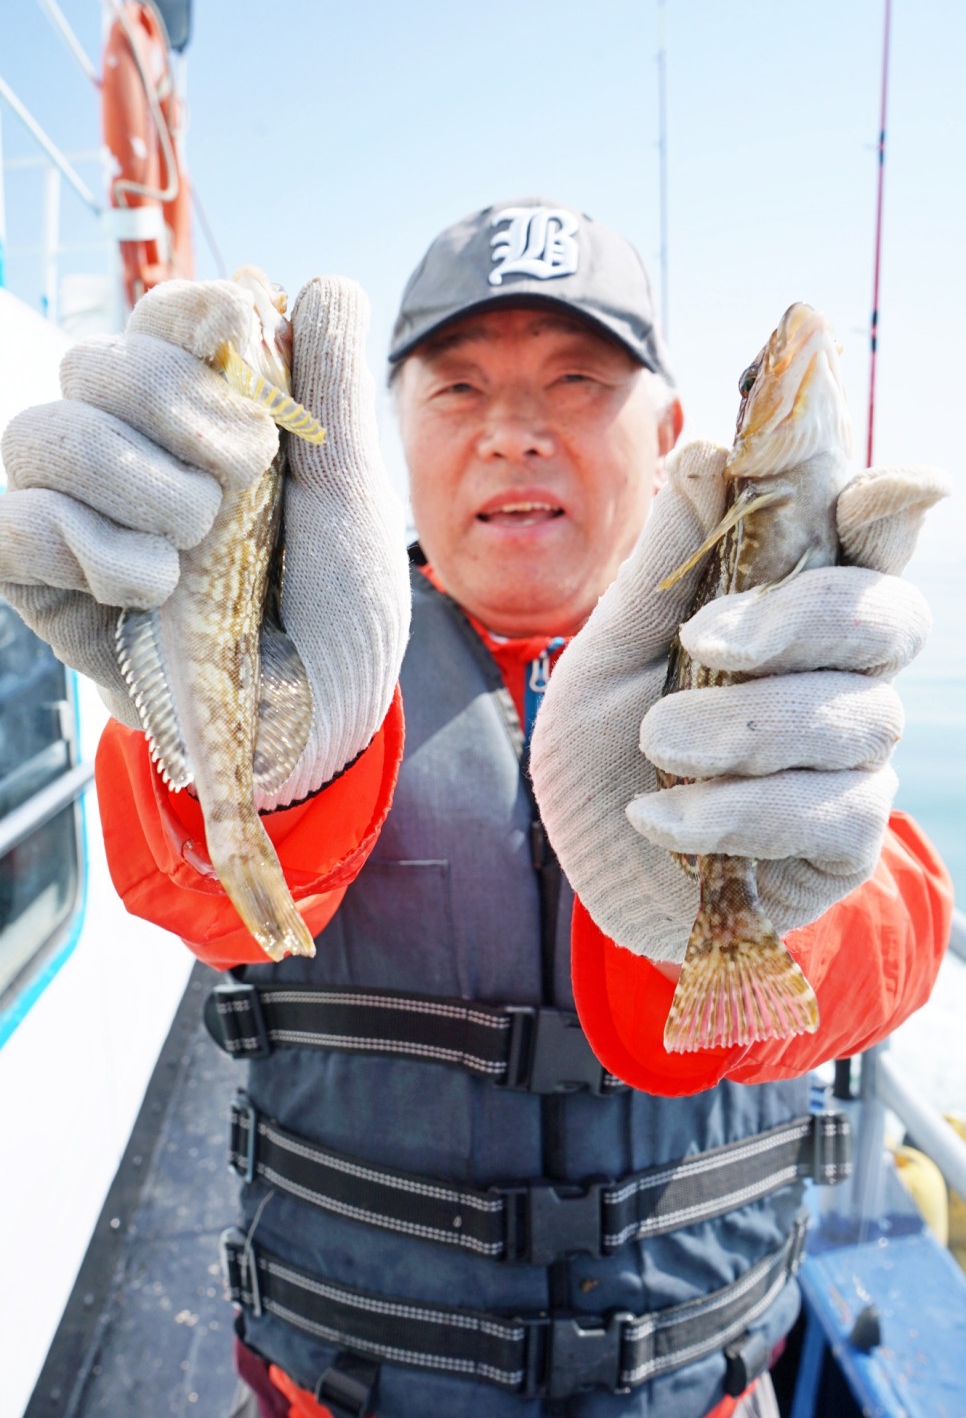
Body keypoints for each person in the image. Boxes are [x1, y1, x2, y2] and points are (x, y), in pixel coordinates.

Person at [0, 199, 952, 1418]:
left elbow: (910, 918)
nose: (514, 431)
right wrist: (260, 748)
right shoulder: (313, 664)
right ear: (383, 428)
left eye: (574, 379)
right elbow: (190, 878)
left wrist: (774, 870)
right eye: (458, 388)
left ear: (671, 434)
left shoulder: (787, 659)